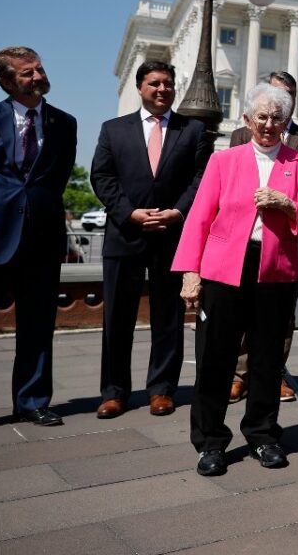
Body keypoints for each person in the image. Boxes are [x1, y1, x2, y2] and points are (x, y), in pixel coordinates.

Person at [172, 83, 298, 476]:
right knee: (215, 358)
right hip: (225, 267)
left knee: (267, 358)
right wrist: (191, 274)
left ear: (287, 122)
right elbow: (200, 219)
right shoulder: (225, 161)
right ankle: (210, 442)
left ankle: (262, 435)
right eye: (261, 116)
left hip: (276, 269)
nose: (269, 124)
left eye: (278, 117)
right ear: (246, 120)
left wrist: (289, 205)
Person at [0, 47, 77, 437]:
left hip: (41, 238)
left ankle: (32, 402)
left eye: (40, 68)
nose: (38, 76)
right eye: (28, 73)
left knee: (38, 326)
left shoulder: (64, 122)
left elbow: (55, 180)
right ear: (7, 81)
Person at [90, 60, 210, 420]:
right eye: (155, 83)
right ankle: (114, 392)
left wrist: (178, 211)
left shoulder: (193, 130)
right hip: (125, 234)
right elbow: (102, 176)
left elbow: (202, 178)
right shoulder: (114, 130)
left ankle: (161, 390)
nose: (162, 89)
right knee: (117, 318)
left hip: (172, 235)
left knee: (169, 317)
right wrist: (129, 213)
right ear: (140, 88)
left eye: (168, 84)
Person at [227, 71, 298, 405]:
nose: (271, 119)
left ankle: (274, 373)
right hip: (244, 242)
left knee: (281, 318)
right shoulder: (241, 135)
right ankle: (240, 375)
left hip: (287, 243)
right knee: (241, 315)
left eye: (286, 97)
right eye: (271, 98)